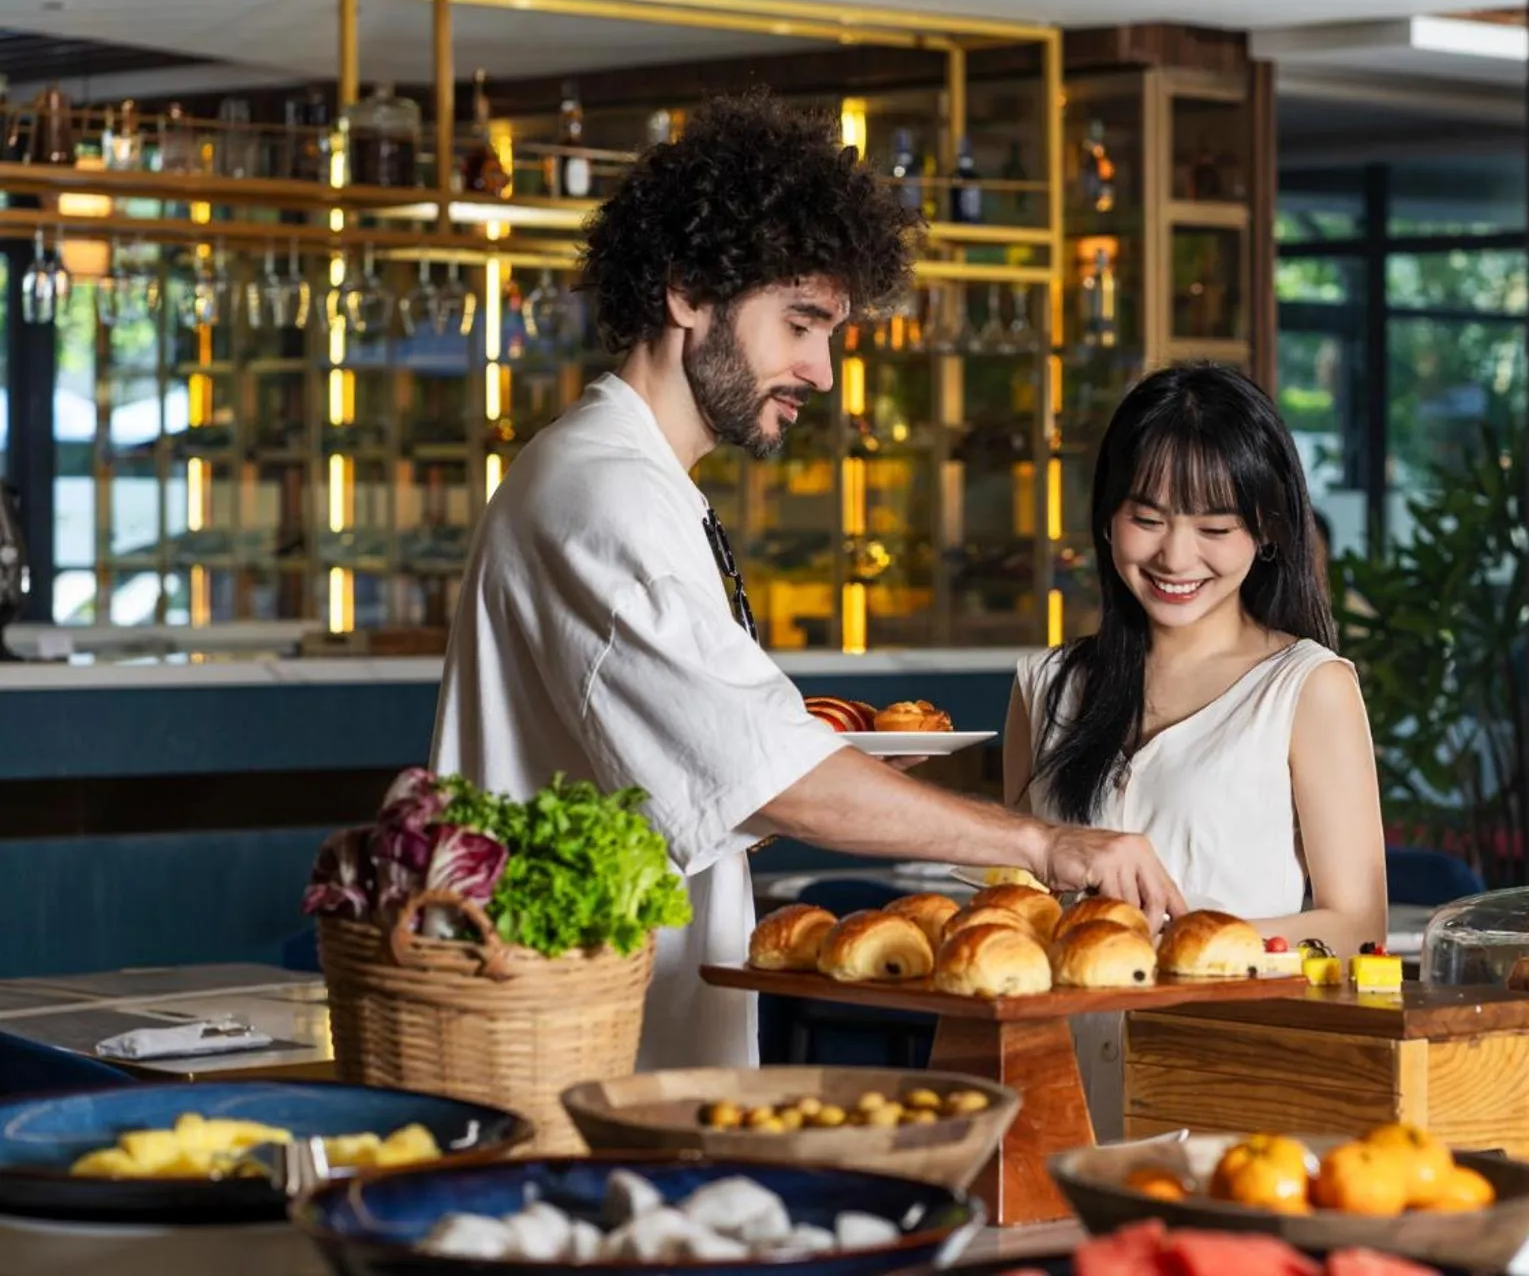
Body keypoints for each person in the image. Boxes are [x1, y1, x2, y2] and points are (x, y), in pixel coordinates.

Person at [430, 92, 1185, 1071]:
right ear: (687, 293)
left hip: (615, 1051)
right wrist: (1047, 848)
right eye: (799, 323)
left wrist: (837, 779)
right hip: (565, 1062)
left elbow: (695, 781)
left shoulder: (643, 485)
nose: (821, 371)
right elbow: (767, 774)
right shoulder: (604, 495)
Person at [1002, 363, 1388, 1136]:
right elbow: (1017, 894)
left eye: (1215, 528)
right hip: (1054, 1090)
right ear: (1107, 517)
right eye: (1147, 518)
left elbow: (1357, 922)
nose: (1177, 557)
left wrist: (1182, 946)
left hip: (1226, 1086)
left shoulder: (1307, 686)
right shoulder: (1047, 683)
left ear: (1269, 529)